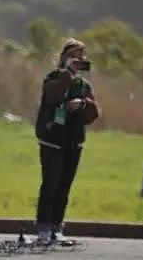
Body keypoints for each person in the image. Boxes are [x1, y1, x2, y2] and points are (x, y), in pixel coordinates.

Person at [34, 38, 100, 246]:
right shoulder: (53, 78)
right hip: (53, 140)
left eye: (81, 58)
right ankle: (44, 226)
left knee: (64, 185)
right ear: (64, 58)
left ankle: (57, 226)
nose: (78, 62)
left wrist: (81, 104)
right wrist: (68, 74)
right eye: (74, 57)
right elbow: (53, 96)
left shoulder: (83, 86)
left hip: (73, 141)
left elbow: (93, 114)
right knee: (50, 183)